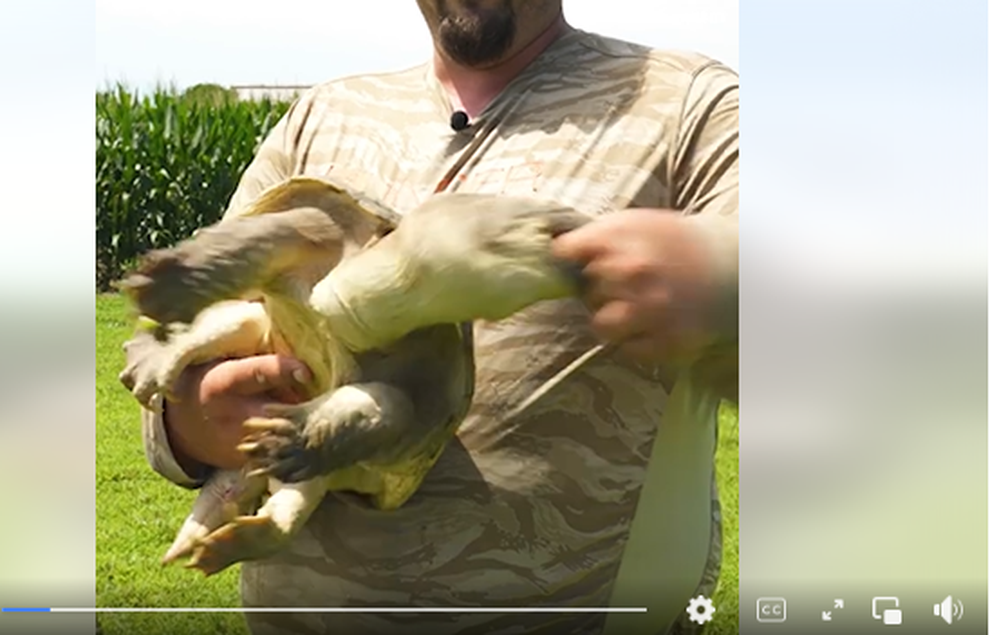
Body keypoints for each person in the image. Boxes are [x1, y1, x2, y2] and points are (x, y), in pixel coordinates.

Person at [122, 1, 737, 633]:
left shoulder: (690, 108)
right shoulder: (323, 118)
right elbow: (169, 353)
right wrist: (195, 415)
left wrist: (718, 275)